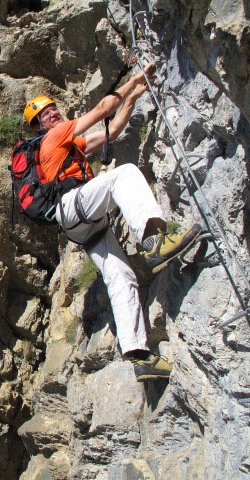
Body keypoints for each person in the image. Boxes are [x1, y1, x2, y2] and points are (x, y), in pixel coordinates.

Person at [23, 62, 202, 381]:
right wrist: (134, 79)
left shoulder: (70, 146)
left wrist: (133, 98)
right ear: (39, 127)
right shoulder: (53, 139)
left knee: (121, 276)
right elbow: (104, 107)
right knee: (125, 175)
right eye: (44, 116)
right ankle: (154, 241)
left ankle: (139, 356)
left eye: (52, 109)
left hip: (83, 225)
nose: (52, 115)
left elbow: (112, 130)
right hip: (74, 208)